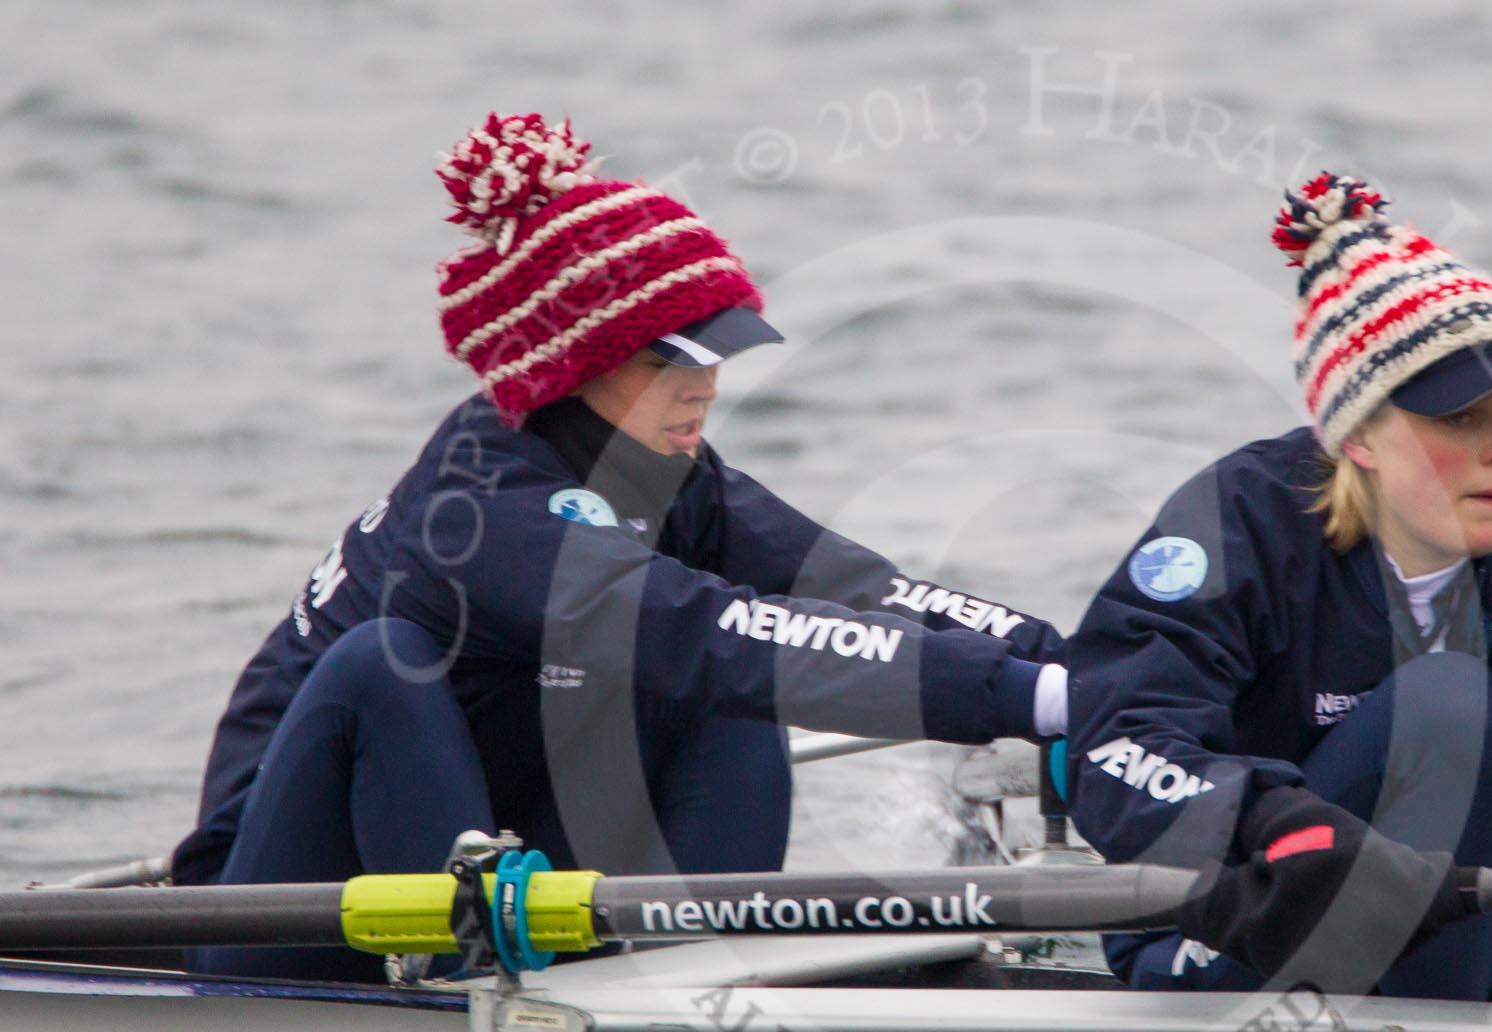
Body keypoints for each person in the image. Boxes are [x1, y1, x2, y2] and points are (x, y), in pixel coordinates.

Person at [172, 113, 1065, 979]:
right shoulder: (482, 513)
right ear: (573, 363)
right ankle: (461, 985)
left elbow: (866, 595)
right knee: (392, 660)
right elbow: (705, 630)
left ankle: (709, 987)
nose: (702, 389)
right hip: (277, 905)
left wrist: (1078, 676)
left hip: (502, 852)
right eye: (667, 362)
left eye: (716, 356)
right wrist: (1020, 698)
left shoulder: (673, 474)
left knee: (732, 679)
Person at [1065, 173, 1492, 1009]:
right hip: (1246, 919)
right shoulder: (1234, 529)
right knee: (1446, 702)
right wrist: (1273, 820)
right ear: (1358, 434)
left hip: (1453, 928)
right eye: (1460, 417)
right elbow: (1116, 738)